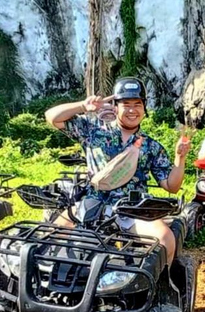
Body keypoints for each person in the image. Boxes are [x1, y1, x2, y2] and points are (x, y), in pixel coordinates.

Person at [45, 77, 190, 266]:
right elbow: (52, 117)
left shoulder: (151, 146)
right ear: (115, 107)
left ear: (144, 109)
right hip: (91, 204)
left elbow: (171, 186)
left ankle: (158, 292)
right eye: (126, 104)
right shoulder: (93, 131)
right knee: (50, 239)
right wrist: (83, 105)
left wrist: (180, 158)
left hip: (132, 209)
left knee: (165, 239)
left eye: (137, 104)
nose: (132, 110)